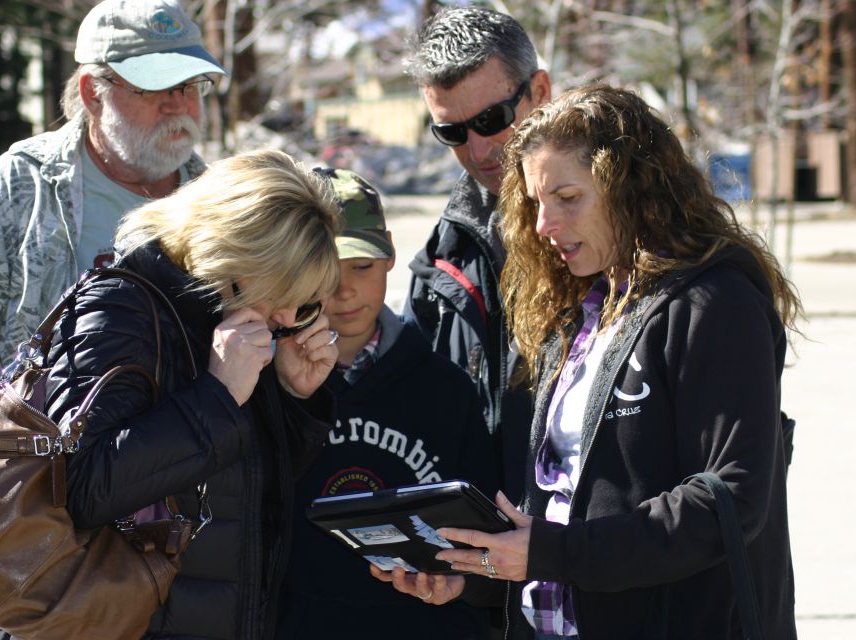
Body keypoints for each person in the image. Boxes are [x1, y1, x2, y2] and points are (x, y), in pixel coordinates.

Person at [376, 84, 800, 640]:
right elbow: (562, 504)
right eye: (535, 204)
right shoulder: (577, 310)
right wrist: (478, 570)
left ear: (632, 188)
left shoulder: (713, 303)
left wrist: (554, 553)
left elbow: (730, 499)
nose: (545, 225)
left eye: (568, 198)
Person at [0, 148, 342, 640]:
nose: (284, 319)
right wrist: (216, 394)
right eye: (279, 294)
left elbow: (245, 499)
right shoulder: (122, 309)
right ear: (230, 249)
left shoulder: (235, 323)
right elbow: (82, 490)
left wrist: (295, 400)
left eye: (302, 306)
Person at [0, 0, 225, 422]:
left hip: (186, 473)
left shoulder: (220, 202)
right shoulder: (11, 192)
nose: (178, 105)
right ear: (92, 93)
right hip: (42, 476)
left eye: (190, 86)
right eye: (156, 86)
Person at [276, 168, 497, 640]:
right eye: (325, 272)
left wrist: (462, 584)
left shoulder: (447, 389)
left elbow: (489, 548)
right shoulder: (265, 386)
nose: (345, 291)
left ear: (391, 253)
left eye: (361, 266)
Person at [401, 5, 551, 504]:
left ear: (541, 92)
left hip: (597, 560)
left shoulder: (628, 234)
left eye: (492, 119)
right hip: (483, 564)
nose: (479, 150)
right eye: (453, 132)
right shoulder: (441, 256)